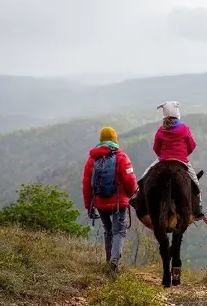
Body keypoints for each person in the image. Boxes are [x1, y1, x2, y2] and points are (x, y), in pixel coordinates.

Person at [82, 126, 138, 275]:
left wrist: (89, 206)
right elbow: (130, 179)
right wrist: (134, 194)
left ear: (101, 140)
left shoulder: (92, 159)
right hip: (119, 203)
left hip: (100, 202)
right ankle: (114, 261)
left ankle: (109, 262)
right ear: (114, 139)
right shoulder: (122, 157)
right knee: (119, 231)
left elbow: (86, 184)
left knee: (108, 231)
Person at [139, 100, 200, 190]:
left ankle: (137, 194)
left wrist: (163, 156)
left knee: (145, 176)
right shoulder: (184, 128)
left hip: (164, 159)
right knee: (195, 183)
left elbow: (156, 148)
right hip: (181, 160)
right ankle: (199, 202)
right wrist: (182, 155)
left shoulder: (161, 130)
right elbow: (192, 145)